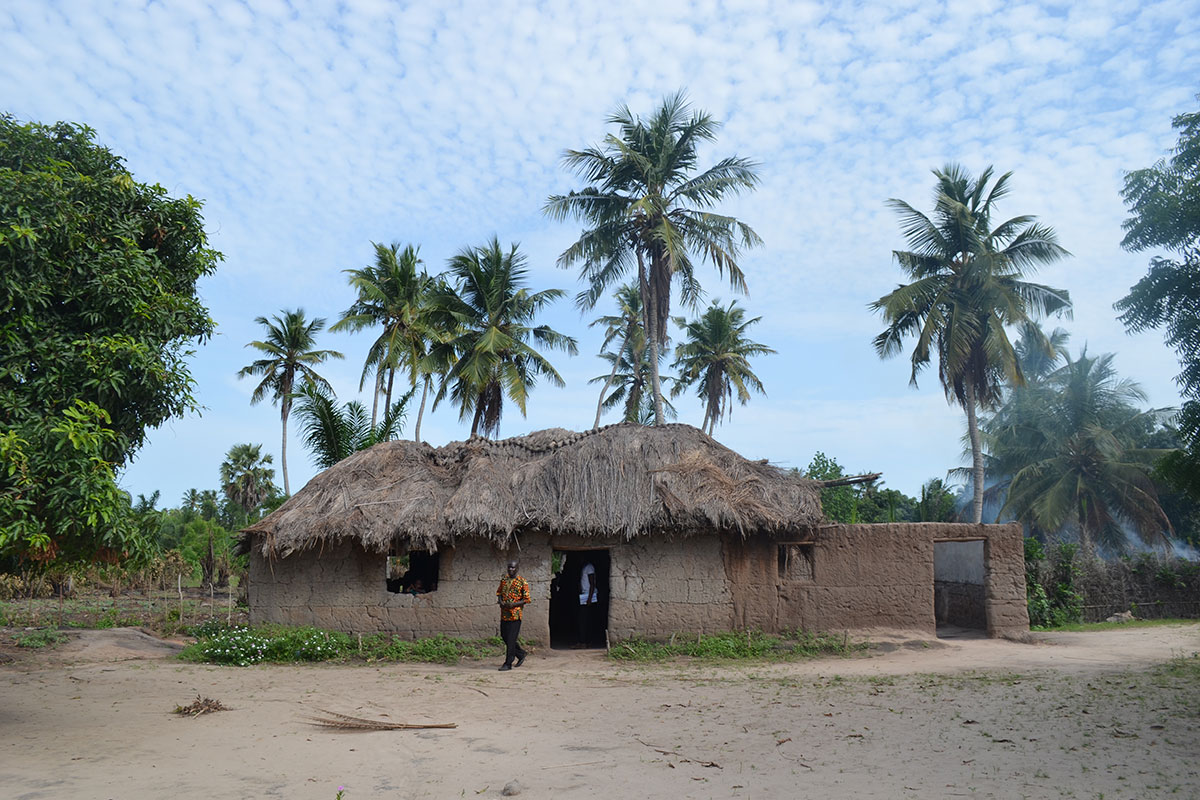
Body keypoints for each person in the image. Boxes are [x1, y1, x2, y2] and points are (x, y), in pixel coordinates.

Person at [496, 559, 530, 671]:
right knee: (504, 636)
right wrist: (500, 601)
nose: (511, 569)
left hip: (515, 615)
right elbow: (499, 593)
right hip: (504, 614)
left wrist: (514, 604)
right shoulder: (504, 580)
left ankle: (508, 663)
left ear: (517, 568)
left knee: (511, 639)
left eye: (513, 567)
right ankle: (520, 654)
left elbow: (526, 599)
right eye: (509, 567)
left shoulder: (522, 582)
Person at [577, 559, 597, 648]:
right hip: (585, 596)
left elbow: (592, 584)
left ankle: (584, 642)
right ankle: (586, 641)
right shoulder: (585, 567)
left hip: (588, 597)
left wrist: (589, 598)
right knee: (585, 620)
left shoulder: (589, 567)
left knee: (584, 620)